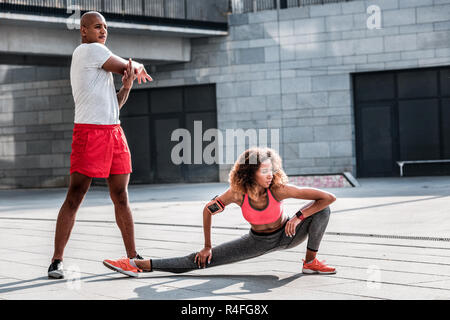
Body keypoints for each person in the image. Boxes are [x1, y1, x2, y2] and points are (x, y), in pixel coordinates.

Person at [102, 147, 337, 277]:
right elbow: (208, 210)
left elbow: (328, 198)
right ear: (249, 172)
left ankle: (310, 262)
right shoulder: (236, 193)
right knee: (199, 261)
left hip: (288, 234)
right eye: (264, 171)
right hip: (256, 241)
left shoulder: (279, 189)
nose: (270, 175)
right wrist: (207, 245)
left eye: (271, 170)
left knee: (322, 211)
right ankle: (137, 264)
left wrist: (298, 217)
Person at [48, 11, 153, 279]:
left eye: (105, 27)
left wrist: (126, 88)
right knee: (75, 196)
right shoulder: (89, 51)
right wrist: (135, 67)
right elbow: (129, 66)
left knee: (121, 196)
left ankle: (132, 257)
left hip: (113, 132)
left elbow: (112, 108)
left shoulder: (99, 59)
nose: (103, 31)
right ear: (84, 31)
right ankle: (56, 261)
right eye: (97, 26)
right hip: (89, 133)